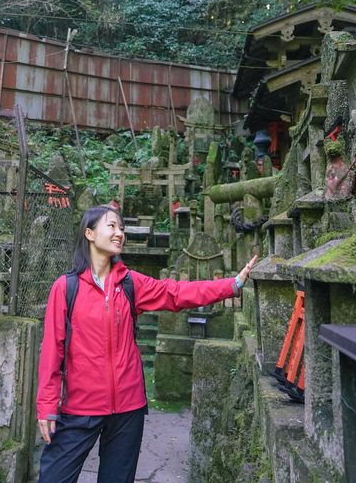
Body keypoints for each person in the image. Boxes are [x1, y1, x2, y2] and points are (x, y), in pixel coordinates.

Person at [36, 205, 256, 483]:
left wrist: (233, 284)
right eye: (111, 226)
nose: (119, 233)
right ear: (89, 234)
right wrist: (46, 406)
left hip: (128, 407)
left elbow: (177, 293)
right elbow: (52, 352)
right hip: (80, 407)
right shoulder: (66, 288)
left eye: (121, 228)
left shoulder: (130, 284)